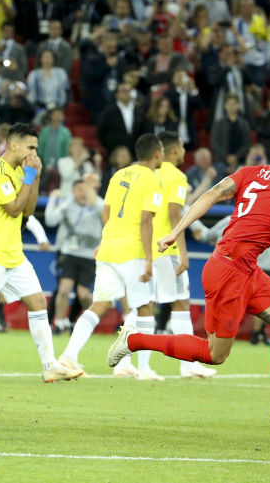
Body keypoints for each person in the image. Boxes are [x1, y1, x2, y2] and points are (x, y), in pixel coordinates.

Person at [109, 130, 270, 448]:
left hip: (243, 267)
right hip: (230, 271)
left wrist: (175, 232)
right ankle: (134, 339)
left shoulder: (250, 172)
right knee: (214, 354)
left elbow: (210, 195)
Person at [0, 123, 83, 383]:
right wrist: (28, 176)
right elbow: (13, 208)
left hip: (14, 252)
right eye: (31, 147)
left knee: (37, 303)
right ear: (14, 145)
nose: (35, 152)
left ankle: (50, 365)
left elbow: (27, 211)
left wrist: (33, 177)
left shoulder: (19, 171)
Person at [58, 134, 163, 379]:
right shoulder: (152, 180)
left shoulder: (119, 175)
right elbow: (146, 221)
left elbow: (106, 213)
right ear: (157, 154)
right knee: (144, 306)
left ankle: (69, 357)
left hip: (108, 249)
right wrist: (148, 258)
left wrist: (107, 239)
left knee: (101, 304)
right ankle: (143, 368)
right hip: (133, 251)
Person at [152, 132, 217, 378]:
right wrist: (183, 253)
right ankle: (188, 363)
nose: (183, 152)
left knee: (143, 304)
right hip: (167, 248)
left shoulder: (152, 173)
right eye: (181, 147)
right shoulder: (177, 177)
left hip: (145, 247)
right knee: (181, 302)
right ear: (173, 150)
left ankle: (130, 362)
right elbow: (174, 215)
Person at [45, 175, 102, 333]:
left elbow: (103, 212)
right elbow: (50, 220)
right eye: (79, 190)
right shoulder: (68, 204)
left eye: (86, 190)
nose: (83, 194)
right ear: (73, 192)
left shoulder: (98, 204)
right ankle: (59, 323)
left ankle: (89, 321)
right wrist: (52, 200)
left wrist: (92, 193)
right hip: (69, 253)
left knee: (83, 295)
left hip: (89, 256)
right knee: (64, 289)